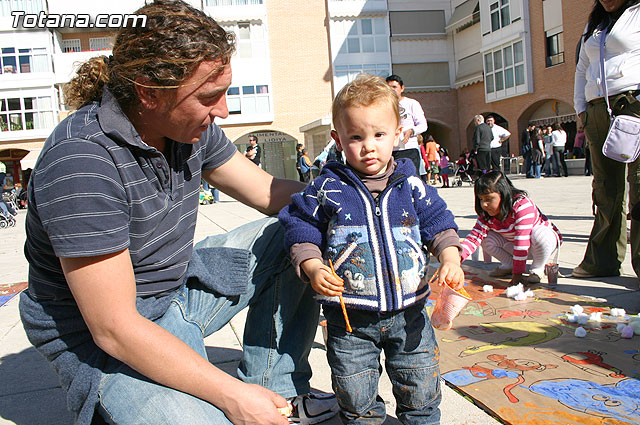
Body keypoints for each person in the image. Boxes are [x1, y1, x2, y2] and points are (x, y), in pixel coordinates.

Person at [18, 2, 337, 424]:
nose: (223, 111)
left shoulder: (189, 129)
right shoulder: (82, 161)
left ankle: (278, 392)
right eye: (208, 97)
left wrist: (353, 202)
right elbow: (114, 329)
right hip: (104, 339)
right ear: (149, 92)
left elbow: (270, 193)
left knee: (296, 228)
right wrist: (232, 396)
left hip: (174, 291)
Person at [279, 74, 465, 425]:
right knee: (355, 395)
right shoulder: (326, 188)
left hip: (409, 315)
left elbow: (438, 221)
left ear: (398, 134)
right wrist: (312, 265)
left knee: (421, 387)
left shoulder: (411, 185)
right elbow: (300, 226)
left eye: (379, 135)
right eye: (356, 137)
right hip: (349, 319)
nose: (369, 147)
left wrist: (450, 257)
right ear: (337, 139)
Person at [572, 0, 640, 278]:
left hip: (632, 103)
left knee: (639, 185)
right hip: (597, 109)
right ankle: (603, 260)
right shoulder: (596, 22)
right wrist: (581, 108)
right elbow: (581, 67)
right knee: (605, 188)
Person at [460, 171, 562, 285]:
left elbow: (522, 241)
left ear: (503, 195)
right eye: (481, 199)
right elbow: (473, 238)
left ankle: (537, 268)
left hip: (537, 246)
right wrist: (454, 260)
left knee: (540, 235)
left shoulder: (522, 205)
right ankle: (509, 265)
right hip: (515, 246)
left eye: (488, 199)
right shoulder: (486, 215)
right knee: (484, 238)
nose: (484, 204)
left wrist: (517, 274)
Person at [386, 74, 428, 176]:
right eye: (389, 87)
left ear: (402, 88)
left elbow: (423, 125)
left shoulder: (411, 103)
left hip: (408, 149)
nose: (392, 90)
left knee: (411, 179)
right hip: (390, 151)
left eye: (394, 87)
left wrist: (411, 131)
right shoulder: (383, 106)